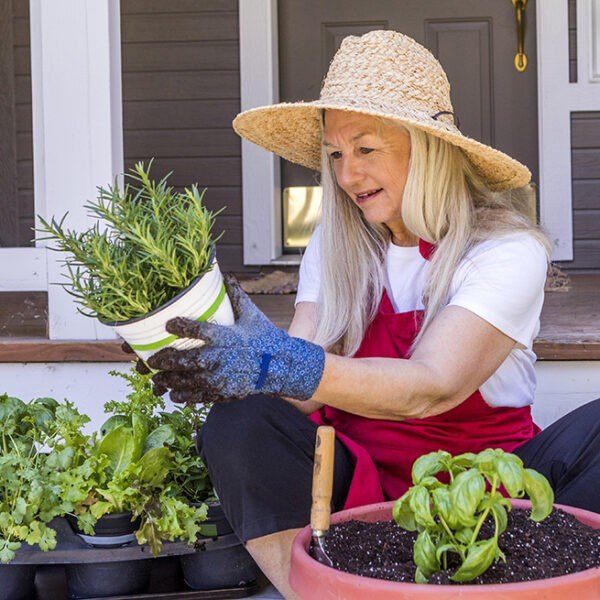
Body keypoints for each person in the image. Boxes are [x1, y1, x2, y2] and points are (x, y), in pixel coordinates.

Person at [147, 31, 600, 599]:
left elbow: (433, 387)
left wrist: (281, 361)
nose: (346, 175)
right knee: (241, 425)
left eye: (365, 149)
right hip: (357, 497)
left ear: (427, 147)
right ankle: (319, 591)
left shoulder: (505, 249)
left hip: (489, 494)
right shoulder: (336, 247)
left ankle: (536, 581)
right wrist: (227, 354)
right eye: (335, 154)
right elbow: (302, 395)